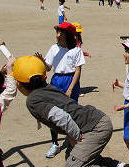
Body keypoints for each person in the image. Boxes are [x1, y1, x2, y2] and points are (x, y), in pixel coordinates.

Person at [12, 56, 128, 167]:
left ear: (19, 84)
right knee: (73, 156)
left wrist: (77, 138)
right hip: (94, 120)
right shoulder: (47, 88)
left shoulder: (33, 100)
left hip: (94, 128)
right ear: (44, 77)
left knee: (74, 164)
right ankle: (116, 165)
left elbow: (62, 117)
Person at [35, 22, 85, 158]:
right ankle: (55, 143)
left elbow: (78, 71)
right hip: (56, 80)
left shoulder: (76, 50)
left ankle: (73, 140)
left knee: (71, 111)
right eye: (57, 33)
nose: (57, 36)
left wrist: (70, 88)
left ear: (67, 35)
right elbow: (48, 68)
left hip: (70, 80)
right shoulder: (53, 48)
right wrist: (42, 61)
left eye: (60, 33)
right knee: (53, 112)